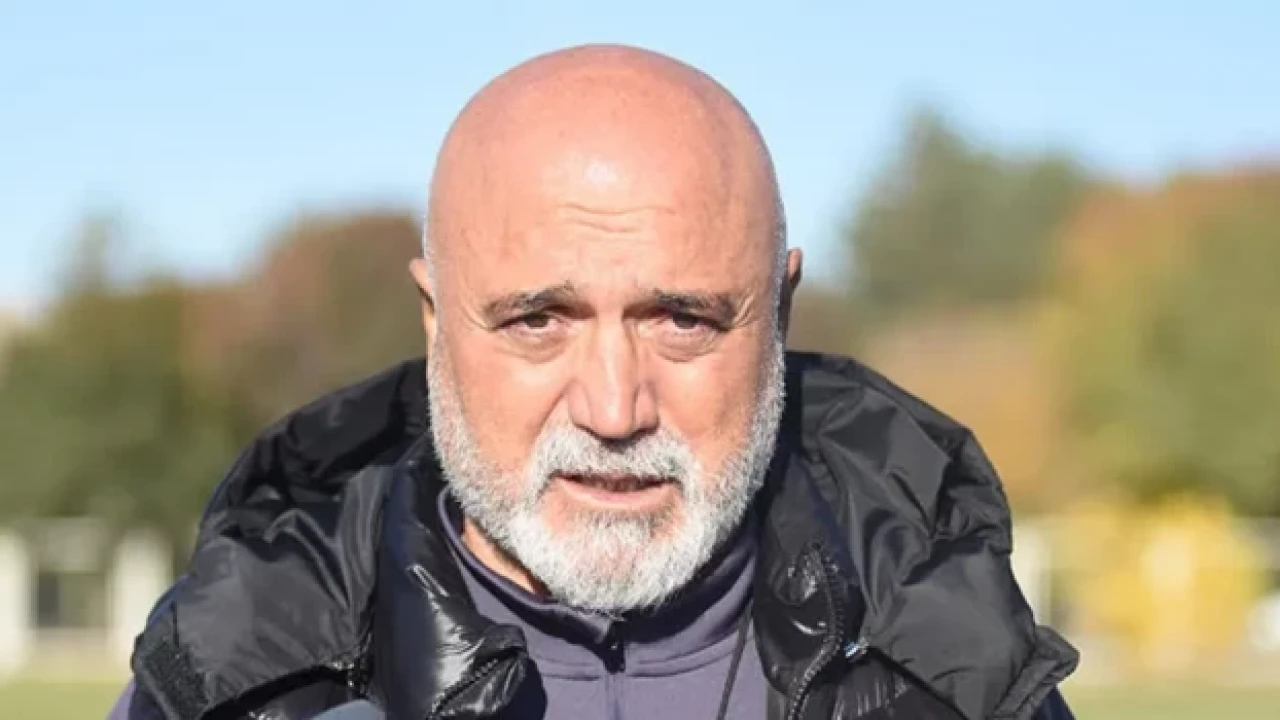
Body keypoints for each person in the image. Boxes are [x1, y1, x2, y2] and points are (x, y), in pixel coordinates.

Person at [110, 44, 1078, 719]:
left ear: (779, 317)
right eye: (537, 321)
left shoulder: (957, 673)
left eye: (682, 320)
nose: (613, 410)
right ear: (435, 323)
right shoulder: (237, 680)